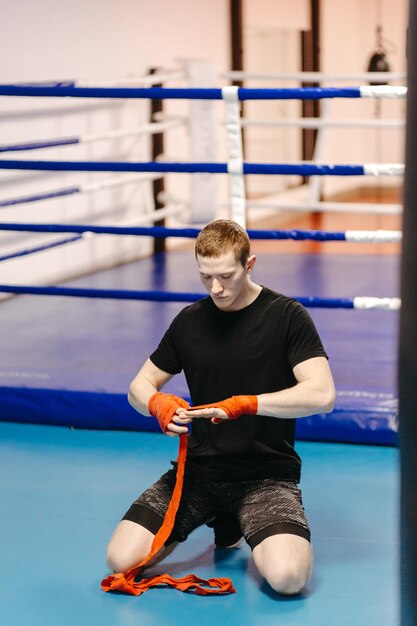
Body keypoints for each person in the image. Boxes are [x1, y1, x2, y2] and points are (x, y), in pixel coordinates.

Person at [106, 219, 336, 596]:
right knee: (120, 560)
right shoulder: (191, 321)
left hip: (266, 475)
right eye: (205, 277)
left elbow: (322, 394)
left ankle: (238, 519)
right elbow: (137, 387)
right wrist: (155, 403)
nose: (216, 288)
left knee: (288, 578)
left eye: (226, 275)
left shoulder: (286, 316)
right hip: (198, 473)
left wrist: (248, 404)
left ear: (250, 264)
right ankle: (221, 516)